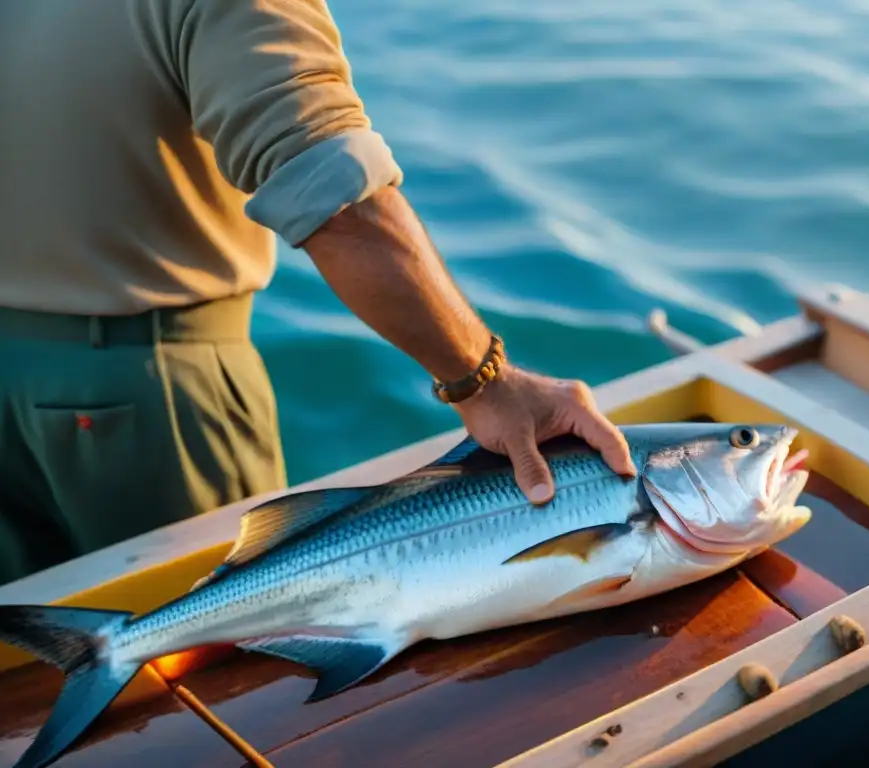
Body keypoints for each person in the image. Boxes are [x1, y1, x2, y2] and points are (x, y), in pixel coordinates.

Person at [0, 0, 636, 586]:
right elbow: (336, 203)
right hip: (146, 395)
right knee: (238, 655)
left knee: (24, 665)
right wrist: (486, 381)